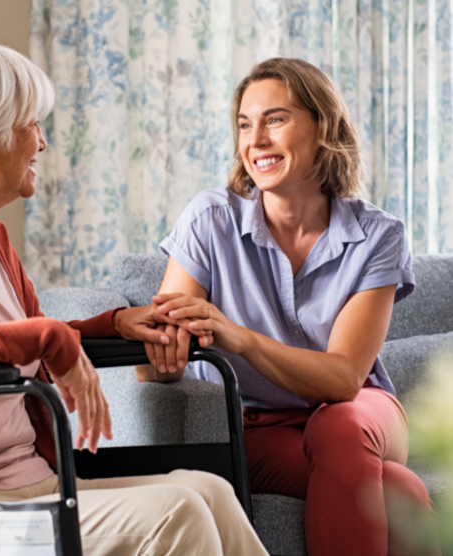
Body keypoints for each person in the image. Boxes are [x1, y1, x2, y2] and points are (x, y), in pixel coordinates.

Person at [0, 39, 268, 556]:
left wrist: (111, 325)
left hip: (37, 486)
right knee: (176, 516)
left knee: (209, 490)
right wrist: (45, 333)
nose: (42, 143)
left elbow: (20, 346)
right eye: (32, 126)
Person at [139, 58, 440, 556]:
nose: (255, 139)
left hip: (361, 412)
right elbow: (161, 355)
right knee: (399, 492)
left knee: (338, 424)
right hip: (258, 427)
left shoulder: (378, 236)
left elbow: (344, 380)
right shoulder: (209, 220)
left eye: (275, 119)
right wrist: (165, 352)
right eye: (244, 124)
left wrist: (239, 337)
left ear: (323, 126)